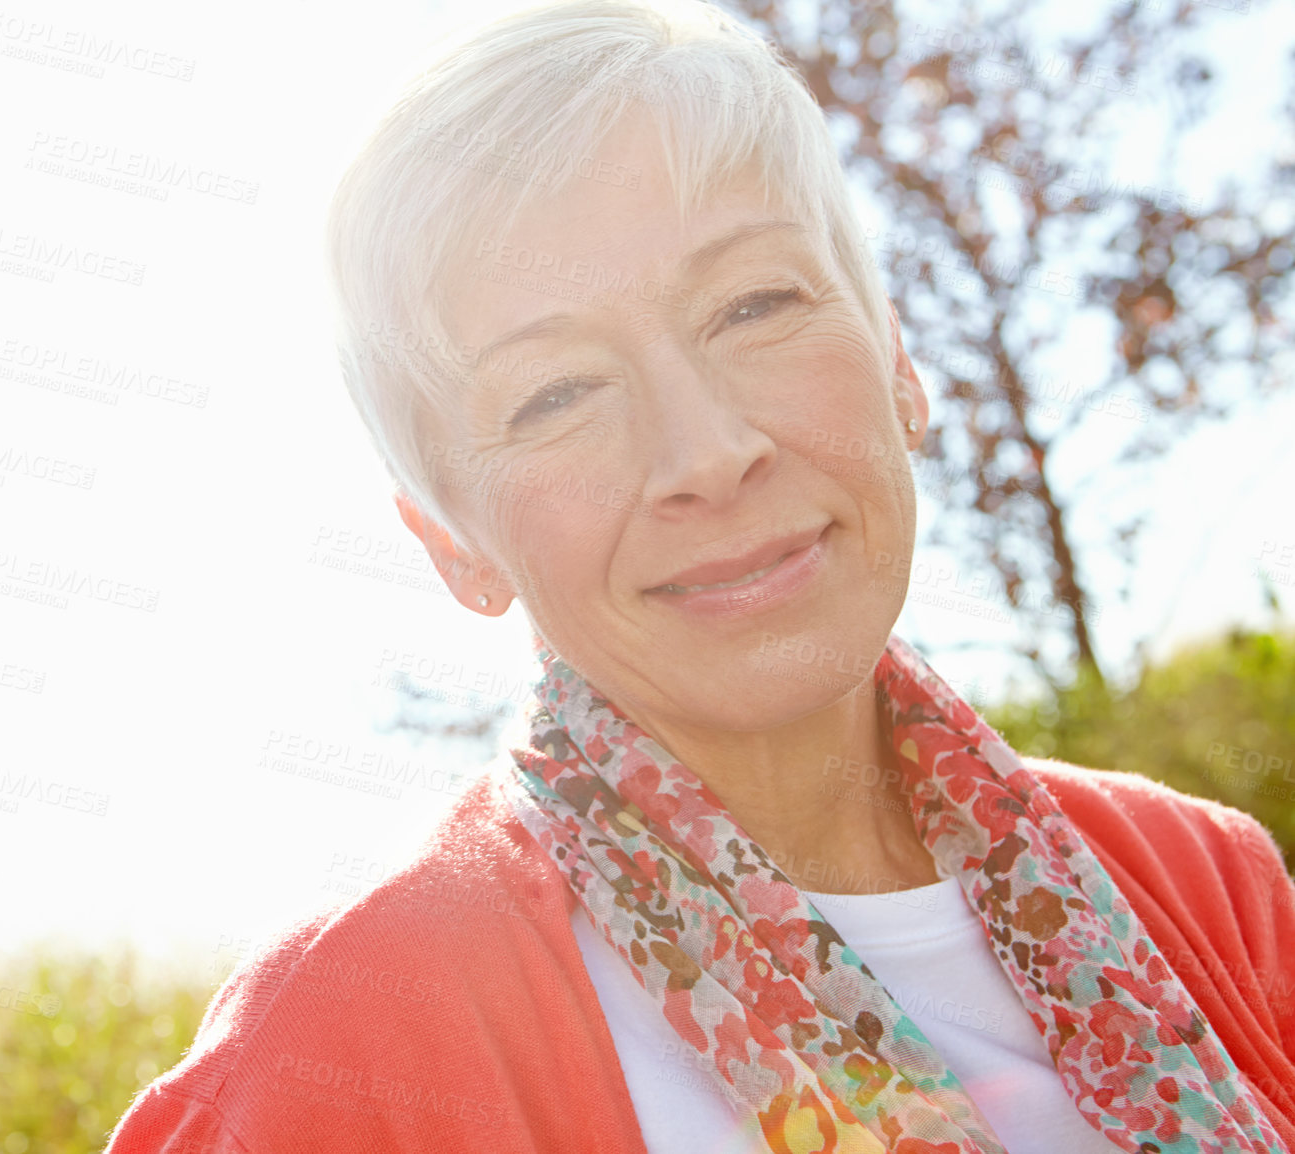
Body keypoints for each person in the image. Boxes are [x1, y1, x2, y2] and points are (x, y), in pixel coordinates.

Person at [105, 1, 1295, 1149]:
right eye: (555, 392)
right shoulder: (328, 1066)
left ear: (897, 362)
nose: (709, 452)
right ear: (452, 540)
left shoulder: (1208, 883)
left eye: (754, 304)